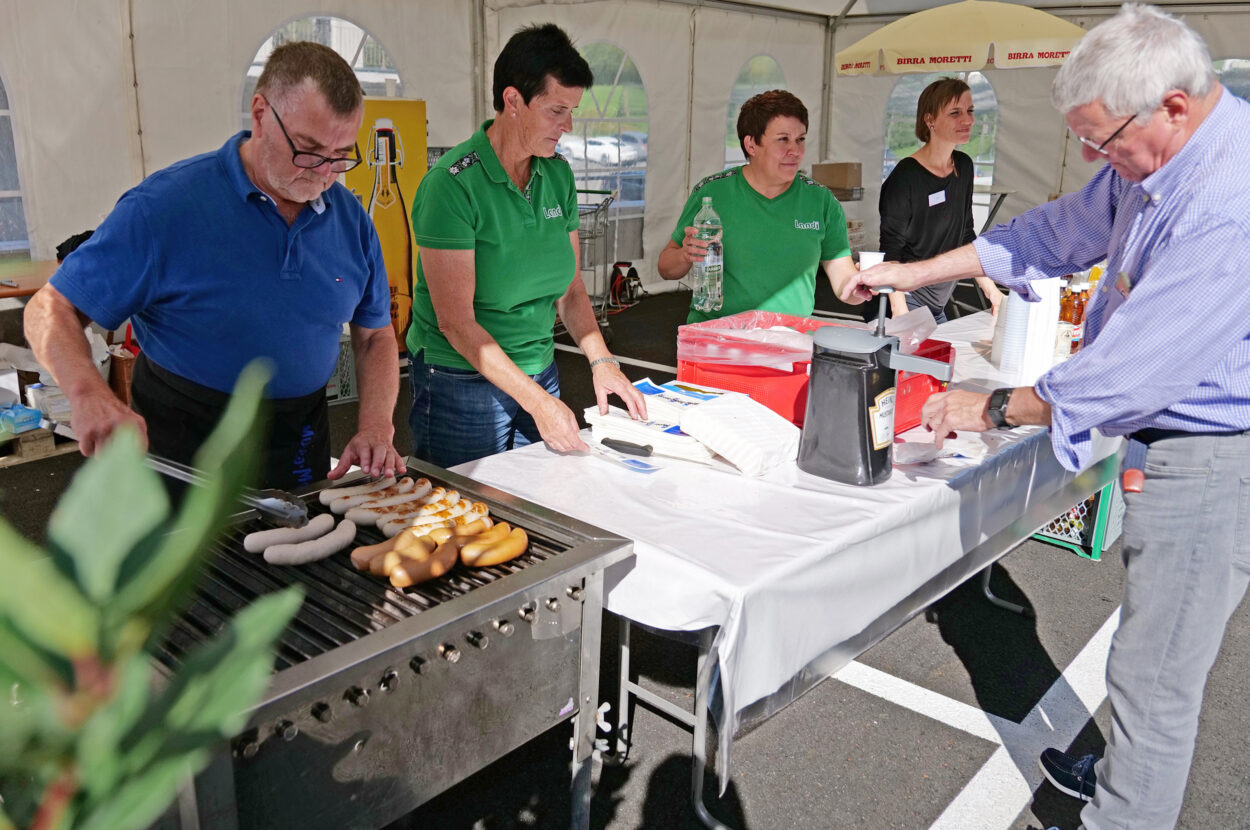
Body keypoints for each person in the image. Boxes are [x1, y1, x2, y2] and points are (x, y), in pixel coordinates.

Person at [847, 6, 1250, 829]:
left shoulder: (1226, 202)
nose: (1099, 161)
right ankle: (1122, 777)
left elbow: (1127, 375)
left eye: (1106, 143)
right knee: (1149, 656)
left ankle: (1123, 813)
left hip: (1210, 455)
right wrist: (911, 273)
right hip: (1169, 434)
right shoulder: (1156, 153)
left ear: (1174, 106)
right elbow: (1055, 232)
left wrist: (992, 407)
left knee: (1154, 674)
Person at [25, 41, 402, 489]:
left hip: (298, 442)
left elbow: (374, 335)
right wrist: (89, 393)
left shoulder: (351, 220)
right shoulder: (165, 207)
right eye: (308, 149)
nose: (324, 173)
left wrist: (376, 425)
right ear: (260, 114)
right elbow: (49, 309)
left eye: (341, 155)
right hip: (183, 449)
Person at [406, 23, 645, 468]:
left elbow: (570, 288)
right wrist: (538, 402)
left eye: (572, 111)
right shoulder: (451, 186)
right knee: (467, 505)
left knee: (545, 497)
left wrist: (602, 362)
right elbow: (456, 323)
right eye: (557, 111)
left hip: (539, 367)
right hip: (462, 380)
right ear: (513, 100)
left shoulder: (557, 174)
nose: (568, 126)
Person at [657, 90, 859, 324]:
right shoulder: (712, 193)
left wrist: (863, 286)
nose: (795, 151)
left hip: (789, 339)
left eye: (800, 139)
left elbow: (844, 281)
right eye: (783, 139)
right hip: (717, 335)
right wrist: (685, 255)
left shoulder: (821, 201)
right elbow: (665, 268)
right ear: (751, 144)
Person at [877, 77, 1002, 322]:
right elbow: (890, 250)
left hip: (937, 304)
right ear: (930, 119)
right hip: (907, 299)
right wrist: (900, 312)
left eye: (970, 111)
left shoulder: (963, 166)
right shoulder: (905, 177)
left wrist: (991, 290)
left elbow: (965, 234)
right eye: (955, 113)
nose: (967, 120)